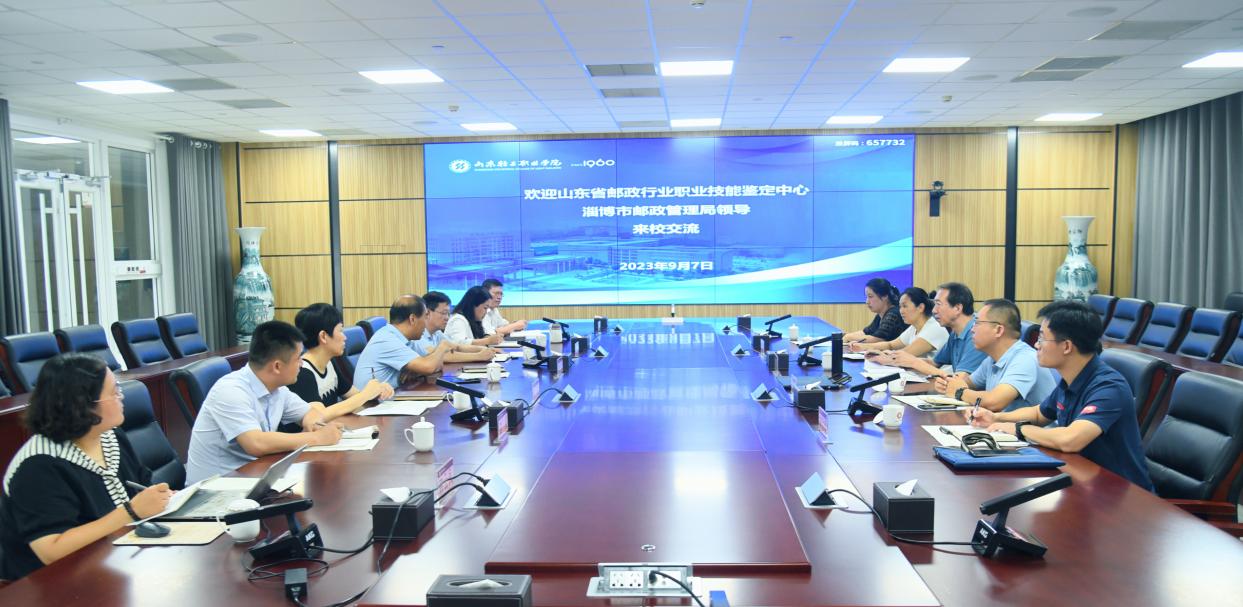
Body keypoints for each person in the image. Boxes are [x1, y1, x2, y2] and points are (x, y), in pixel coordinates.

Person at [1, 354, 173, 579]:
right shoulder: (38, 466)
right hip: (46, 582)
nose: (121, 396)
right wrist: (130, 512)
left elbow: (141, 484)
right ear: (83, 406)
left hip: (112, 559)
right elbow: (51, 550)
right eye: (113, 392)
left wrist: (160, 498)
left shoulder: (110, 436)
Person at [967, 300, 1154, 492]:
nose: (1036, 345)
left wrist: (1017, 429)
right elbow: (1039, 414)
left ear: (1066, 346)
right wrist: (996, 418)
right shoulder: (1070, 379)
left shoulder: (1109, 387)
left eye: (1042, 338)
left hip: (1122, 493)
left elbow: (1070, 440)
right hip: (1082, 480)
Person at [186, 321, 343, 484]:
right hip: (215, 489)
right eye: (298, 358)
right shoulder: (230, 391)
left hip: (253, 478)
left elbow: (310, 413)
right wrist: (316, 437)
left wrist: (314, 424)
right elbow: (256, 443)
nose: (302, 363)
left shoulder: (277, 388)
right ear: (277, 366)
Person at [934, 298, 1056, 412]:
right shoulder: (992, 359)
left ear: (998, 330)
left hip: (1031, 428)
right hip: (1003, 425)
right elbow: (967, 383)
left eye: (977, 323)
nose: (972, 329)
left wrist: (959, 392)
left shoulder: (1024, 359)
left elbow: (994, 402)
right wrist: (947, 384)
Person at [290, 303, 395, 417]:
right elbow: (319, 416)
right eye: (340, 331)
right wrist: (366, 394)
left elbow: (353, 395)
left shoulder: (329, 363)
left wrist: (376, 391)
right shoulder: (302, 372)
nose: (345, 337)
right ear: (323, 336)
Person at [880, 282, 988, 376]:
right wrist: (906, 361)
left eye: (938, 304)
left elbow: (961, 380)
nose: (934, 310)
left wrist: (913, 362)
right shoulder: (956, 333)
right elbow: (934, 363)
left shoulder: (976, 333)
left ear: (957, 308)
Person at [353, 295, 452, 391]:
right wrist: (442, 347)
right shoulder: (387, 339)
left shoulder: (408, 338)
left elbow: (437, 364)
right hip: (373, 401)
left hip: (394, 394)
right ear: (412, 319)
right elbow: (429, 367)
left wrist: (416, 371)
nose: (426, 323)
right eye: (425, 317)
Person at [849, 287, 948, 358]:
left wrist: (876, 353)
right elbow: (891, 345)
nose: (901, 311)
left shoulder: (934, 328)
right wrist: (863, 347)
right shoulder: (914, 327)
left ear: (920, 307)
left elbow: (904, 354)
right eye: (900, 307)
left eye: (905, 306)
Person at [419, 291, 497, 362]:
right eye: (443, 313)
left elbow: (457, 347)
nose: (447, 318)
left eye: (448, 313)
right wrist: (478, 356)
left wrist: (485, 349)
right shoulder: (418, 335)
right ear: (427, 313)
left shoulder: (437, 333)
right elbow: (442, 356)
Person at [841, 278, 907, 343]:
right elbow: (866, 332)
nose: (867, 302)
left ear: (885, 296)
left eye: (870, 296)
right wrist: (845, 335)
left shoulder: (893, 313)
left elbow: (878, 339)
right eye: (866, 297)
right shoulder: (880, 315)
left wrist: (849, 337)